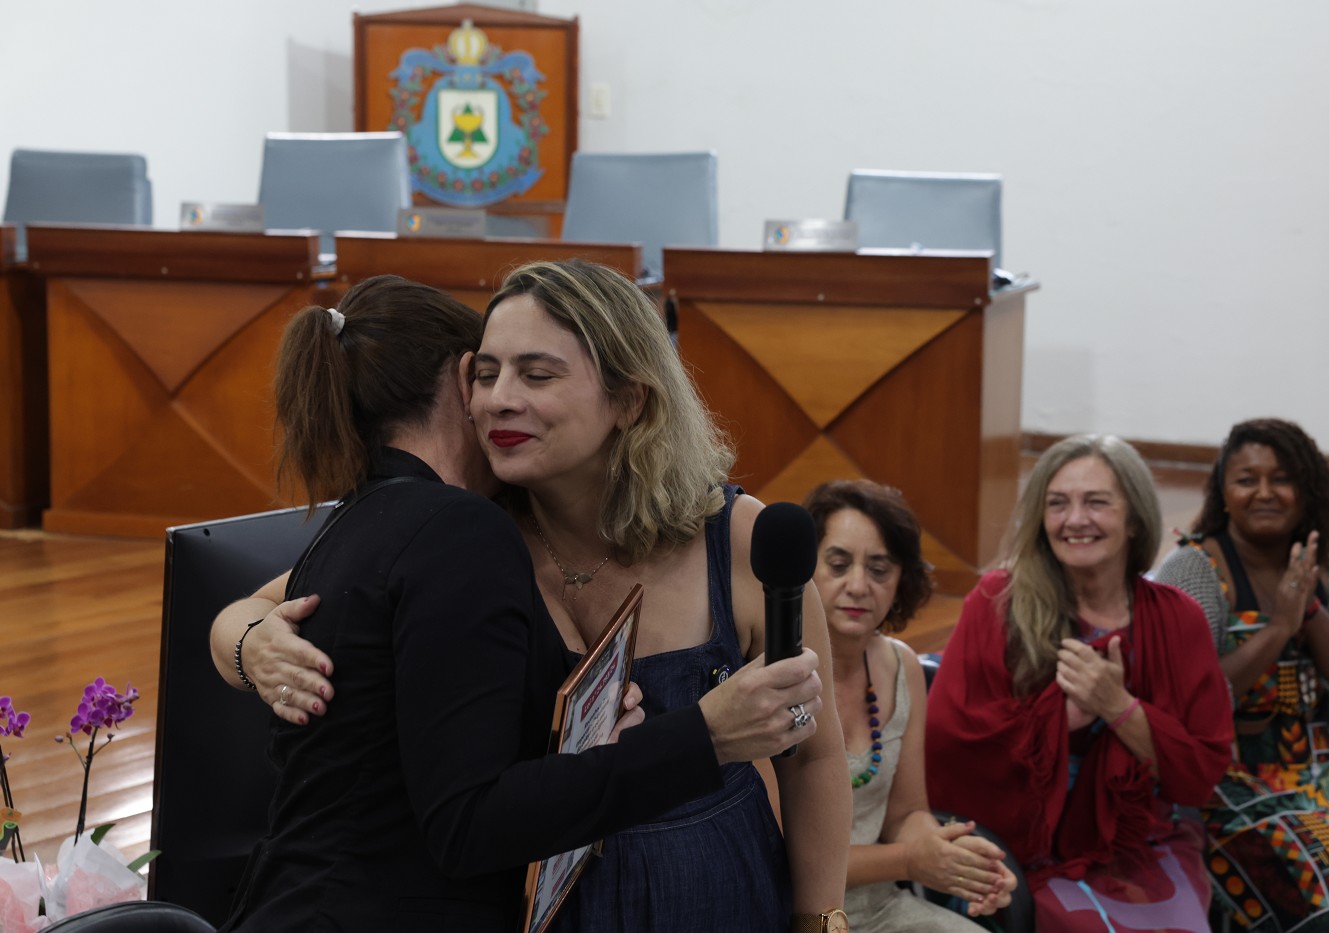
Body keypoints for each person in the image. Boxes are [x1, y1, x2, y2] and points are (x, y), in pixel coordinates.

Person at [213, 260, 851, 932]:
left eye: (537, 375)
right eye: (485, 374)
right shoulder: (464, 537)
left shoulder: (734, 535)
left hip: (714, 894)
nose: (498, 400)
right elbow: (252, 609)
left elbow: (814, 753)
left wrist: (821, 921)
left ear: (630, 400)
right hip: (528, 905)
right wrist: (253, 642)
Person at [924, 434, 1235, 932]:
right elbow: (948, 743)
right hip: (1026, 845)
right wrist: (1057, 720)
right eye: (1057, 504)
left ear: (1134, 519)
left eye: (1096, 502)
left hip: (1142, 838)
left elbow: (1199, 772)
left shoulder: (1178, 619)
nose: (1074, 520)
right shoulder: (997, 601)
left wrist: (1118, 708)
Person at [1154, 418, 1329, 932]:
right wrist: (1278, 629)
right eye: (1247, 480)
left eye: (1282, 479)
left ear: (1306, 491)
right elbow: (1193, 701)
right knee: (1325, 875)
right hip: (1229, 781)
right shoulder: (1194, 570)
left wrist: (1310, 611)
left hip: (1326, 771)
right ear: (1224, 493)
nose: (1264, 492)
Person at [804, 479, 1016, 933]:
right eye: (838, 565)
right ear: (804, 569)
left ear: (902, 581)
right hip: (798, 914)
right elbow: (781, 858)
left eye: (879, 569)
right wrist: (910, 860)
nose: (858, 586)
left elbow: (905, 815)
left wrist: (960, 861)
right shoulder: (775, 669)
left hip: (882, 907)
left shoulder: (901, 666)